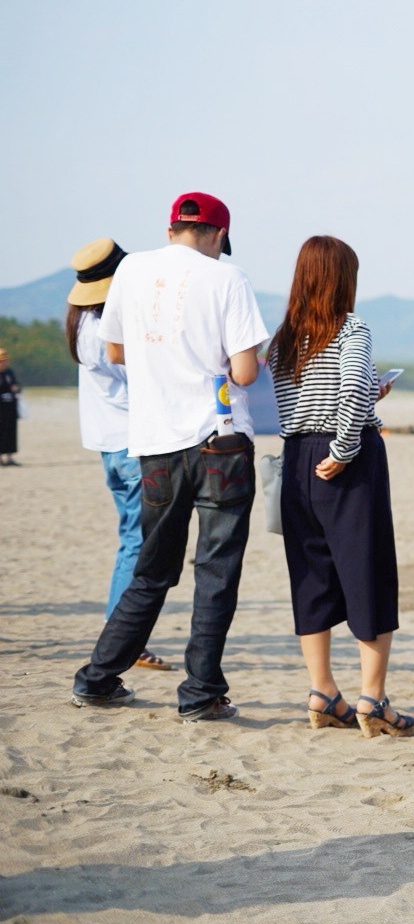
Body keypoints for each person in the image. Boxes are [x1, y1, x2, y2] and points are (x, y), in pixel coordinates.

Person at [72, 192, 269, 721]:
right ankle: (200, 693)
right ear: (220, 234)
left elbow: (116, 351)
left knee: (152, 570)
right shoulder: (228, 278)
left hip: (155, 443)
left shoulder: (131, 270)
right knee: (216, 571)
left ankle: (97, 679)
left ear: (170, 230)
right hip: (219, 443)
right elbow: (244, 372)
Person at [269, 236, 412, 737]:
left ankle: (322, 691)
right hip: (345, 460)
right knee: (368, 571)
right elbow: (349, 390)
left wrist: (370, 394)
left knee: (311, 572)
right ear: (341, 279)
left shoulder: (285, 336)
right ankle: (372, 698)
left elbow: (302, 397)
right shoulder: (352, 327)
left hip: (297, 457)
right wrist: (345, 448)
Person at [65, 239, 169, 671]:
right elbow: (143, 382)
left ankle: (121, 632)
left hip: (109, 443)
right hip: (131, 442)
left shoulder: (83, 325)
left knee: (133, 538)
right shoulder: (108, 330)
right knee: (138, 542)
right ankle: (123, 636)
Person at [0, 347, 19, 466]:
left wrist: (16, 388)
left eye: (5, 361)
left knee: (10, 432)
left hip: (10, 407)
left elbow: (16, 384)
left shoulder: (9, 372)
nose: (4, 363)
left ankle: (10, 457)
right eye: (2, 361)